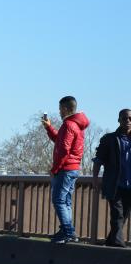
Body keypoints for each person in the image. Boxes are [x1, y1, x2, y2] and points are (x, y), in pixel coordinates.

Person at [42, 96, 90, 243]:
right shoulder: (76, 125)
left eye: (60, 108)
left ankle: (68, 232)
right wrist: (49, 127)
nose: (59, 112)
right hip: (73, 169)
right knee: (66, 202)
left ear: (66, 108)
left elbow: (63, 150)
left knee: (58, 200)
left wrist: (55, 169)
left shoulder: (69, 125)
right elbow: (60, 140)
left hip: (65, 169)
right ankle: (67, 230)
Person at [93, 108, 131, 247]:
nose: (127, 121)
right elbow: (98, 160)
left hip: (129, 186)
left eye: (130, 118)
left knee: (123, 217)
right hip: (115, 184)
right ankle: (118, 247)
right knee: (117, 215)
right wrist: (95, 178)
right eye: (124, 118)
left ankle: (110, 243)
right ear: (119, 120)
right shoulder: (109, 139)